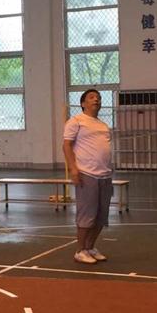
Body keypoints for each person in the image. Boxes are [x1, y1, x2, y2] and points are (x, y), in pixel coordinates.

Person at [63, 89, 112, 264]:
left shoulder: (103, 125)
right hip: (87, 174)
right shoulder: (76, 121)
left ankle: (90, 247)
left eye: (98, 98)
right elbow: (66, 146)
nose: (96, 100)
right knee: (87, 215)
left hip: (105, 175)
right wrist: (73, 169)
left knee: (101, 216)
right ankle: (80, 250)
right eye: (91, 97)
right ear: (83, 103)